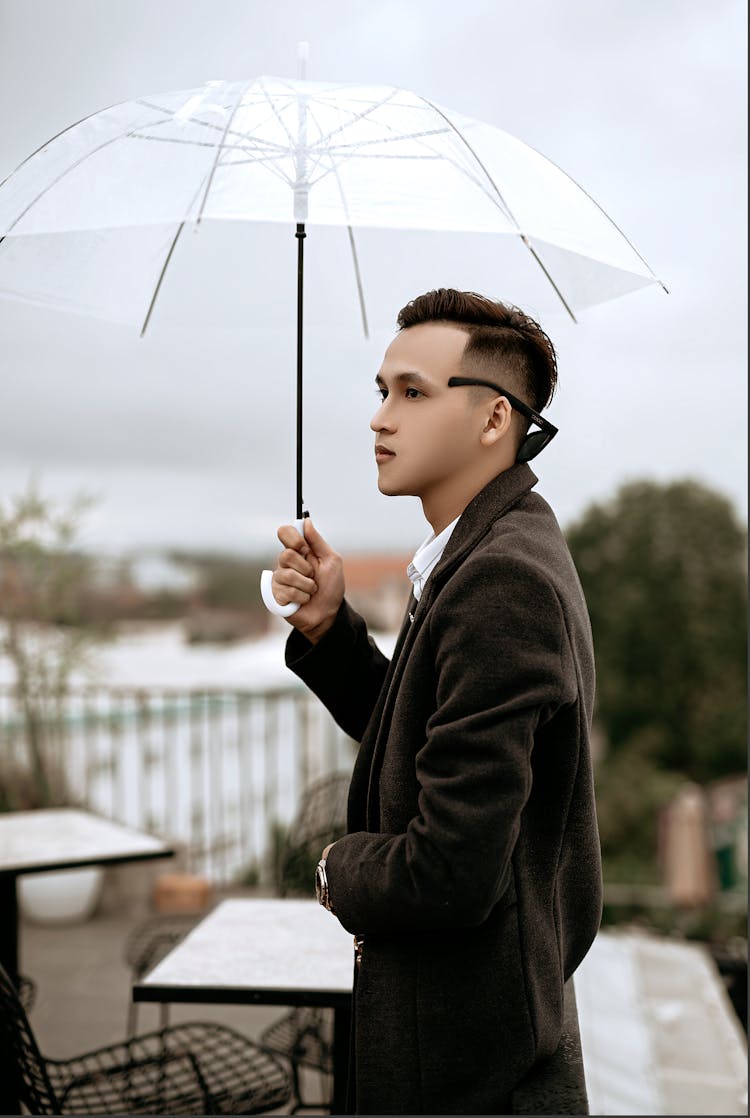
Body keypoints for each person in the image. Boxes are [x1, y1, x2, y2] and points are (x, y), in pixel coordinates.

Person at [270, 288, 602, 1115]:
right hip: (465, 1050)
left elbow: (452, 873)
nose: (382, 418)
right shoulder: (481, 551)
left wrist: (331, 867)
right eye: (381, 391)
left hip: (473, 1077)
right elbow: (424, 736)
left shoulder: (502, 579)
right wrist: (328, 630)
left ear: (494, 419)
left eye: (412, 393)